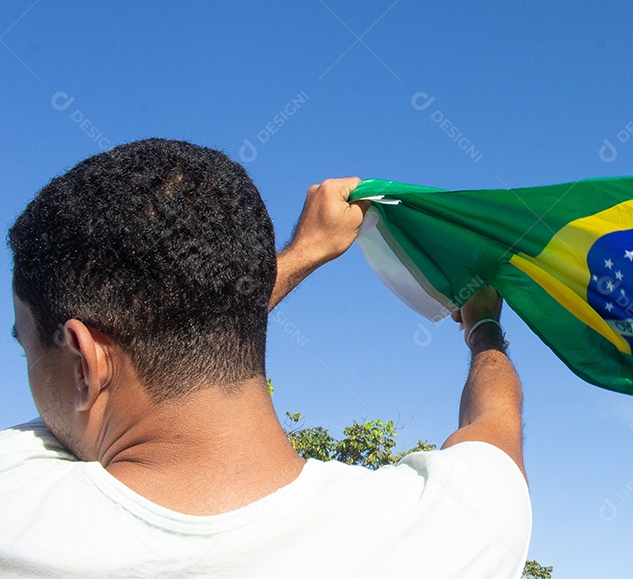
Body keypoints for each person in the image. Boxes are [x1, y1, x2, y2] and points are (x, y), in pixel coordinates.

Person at [0, 139, 530, 578]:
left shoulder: (18, 504)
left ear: (82, 360)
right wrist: (482, 325)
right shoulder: (451, 534)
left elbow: (185, 326)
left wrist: (301, 255)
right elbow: (493, 423)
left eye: (26, 345)